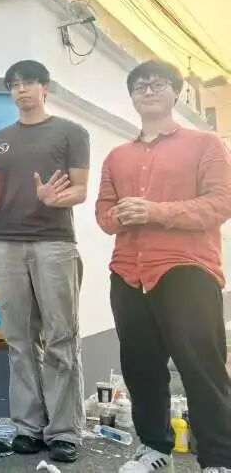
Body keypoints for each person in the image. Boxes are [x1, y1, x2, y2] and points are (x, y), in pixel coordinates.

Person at [0, 60, 89, 463]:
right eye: (13, 84)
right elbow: (1, 195)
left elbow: (80, 190)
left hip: (54, 243)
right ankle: (28, 427)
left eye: (28, 82)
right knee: (19, 339)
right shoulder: (0, 140)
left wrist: (54, 198)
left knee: (61, 337)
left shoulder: (71, 133)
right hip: (8, 244)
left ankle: (63, 431)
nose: (21, 89)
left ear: (45, 87)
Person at [95, 60, 231, 473]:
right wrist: (120, 216)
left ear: (176, 92)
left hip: (187, 269)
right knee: (140, 368)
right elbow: (104, 215)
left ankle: (218, 459)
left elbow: (220, 203)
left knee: (202, 368)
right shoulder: (117, 156)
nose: (148, 91)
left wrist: (156, 211)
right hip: (127, 272)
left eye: (157, 84)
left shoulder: (206, 144)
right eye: (139, 86)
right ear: (132, 97)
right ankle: (155, 449)